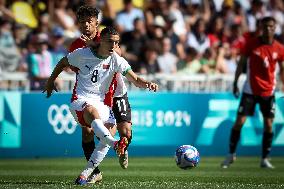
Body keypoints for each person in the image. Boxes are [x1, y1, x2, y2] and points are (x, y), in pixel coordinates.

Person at [43, 26, 158, 185]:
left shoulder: (116, 60)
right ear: (101, 40)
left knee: (109, 132)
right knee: (93, 114)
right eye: (110, 42)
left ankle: (87, 172)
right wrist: (50, 81)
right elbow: (62, 62)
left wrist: (148, 84)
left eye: (116, 43)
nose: (113, 46)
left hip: (102, 103)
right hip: (81, 100)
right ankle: (115, 144)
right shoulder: (83, 54)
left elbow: (136, 79)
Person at [69, 5, 133, 184]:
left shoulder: (105, 37)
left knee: (125, 132)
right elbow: (76, 68)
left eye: (89, 21)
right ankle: (94, 172)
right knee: (88, 132)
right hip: (93, 95)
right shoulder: (76, 45)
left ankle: (121, 147)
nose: (86, 25)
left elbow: (118, 54)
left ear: (97, 23)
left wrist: (95, 46)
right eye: (82, 22)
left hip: (116, 92)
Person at [221, 16, 284, 169]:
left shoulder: (279, 48)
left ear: (275, 28)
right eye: (265, 26)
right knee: (239, 122)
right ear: (261, 28)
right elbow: (241, 63)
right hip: (250, 90)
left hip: (268, 91)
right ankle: (230, 155)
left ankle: (265, 158)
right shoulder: (251, 44)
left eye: (271, 26)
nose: (268, 29)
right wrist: (236, 83)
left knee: (269, 125)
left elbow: (282, 69)